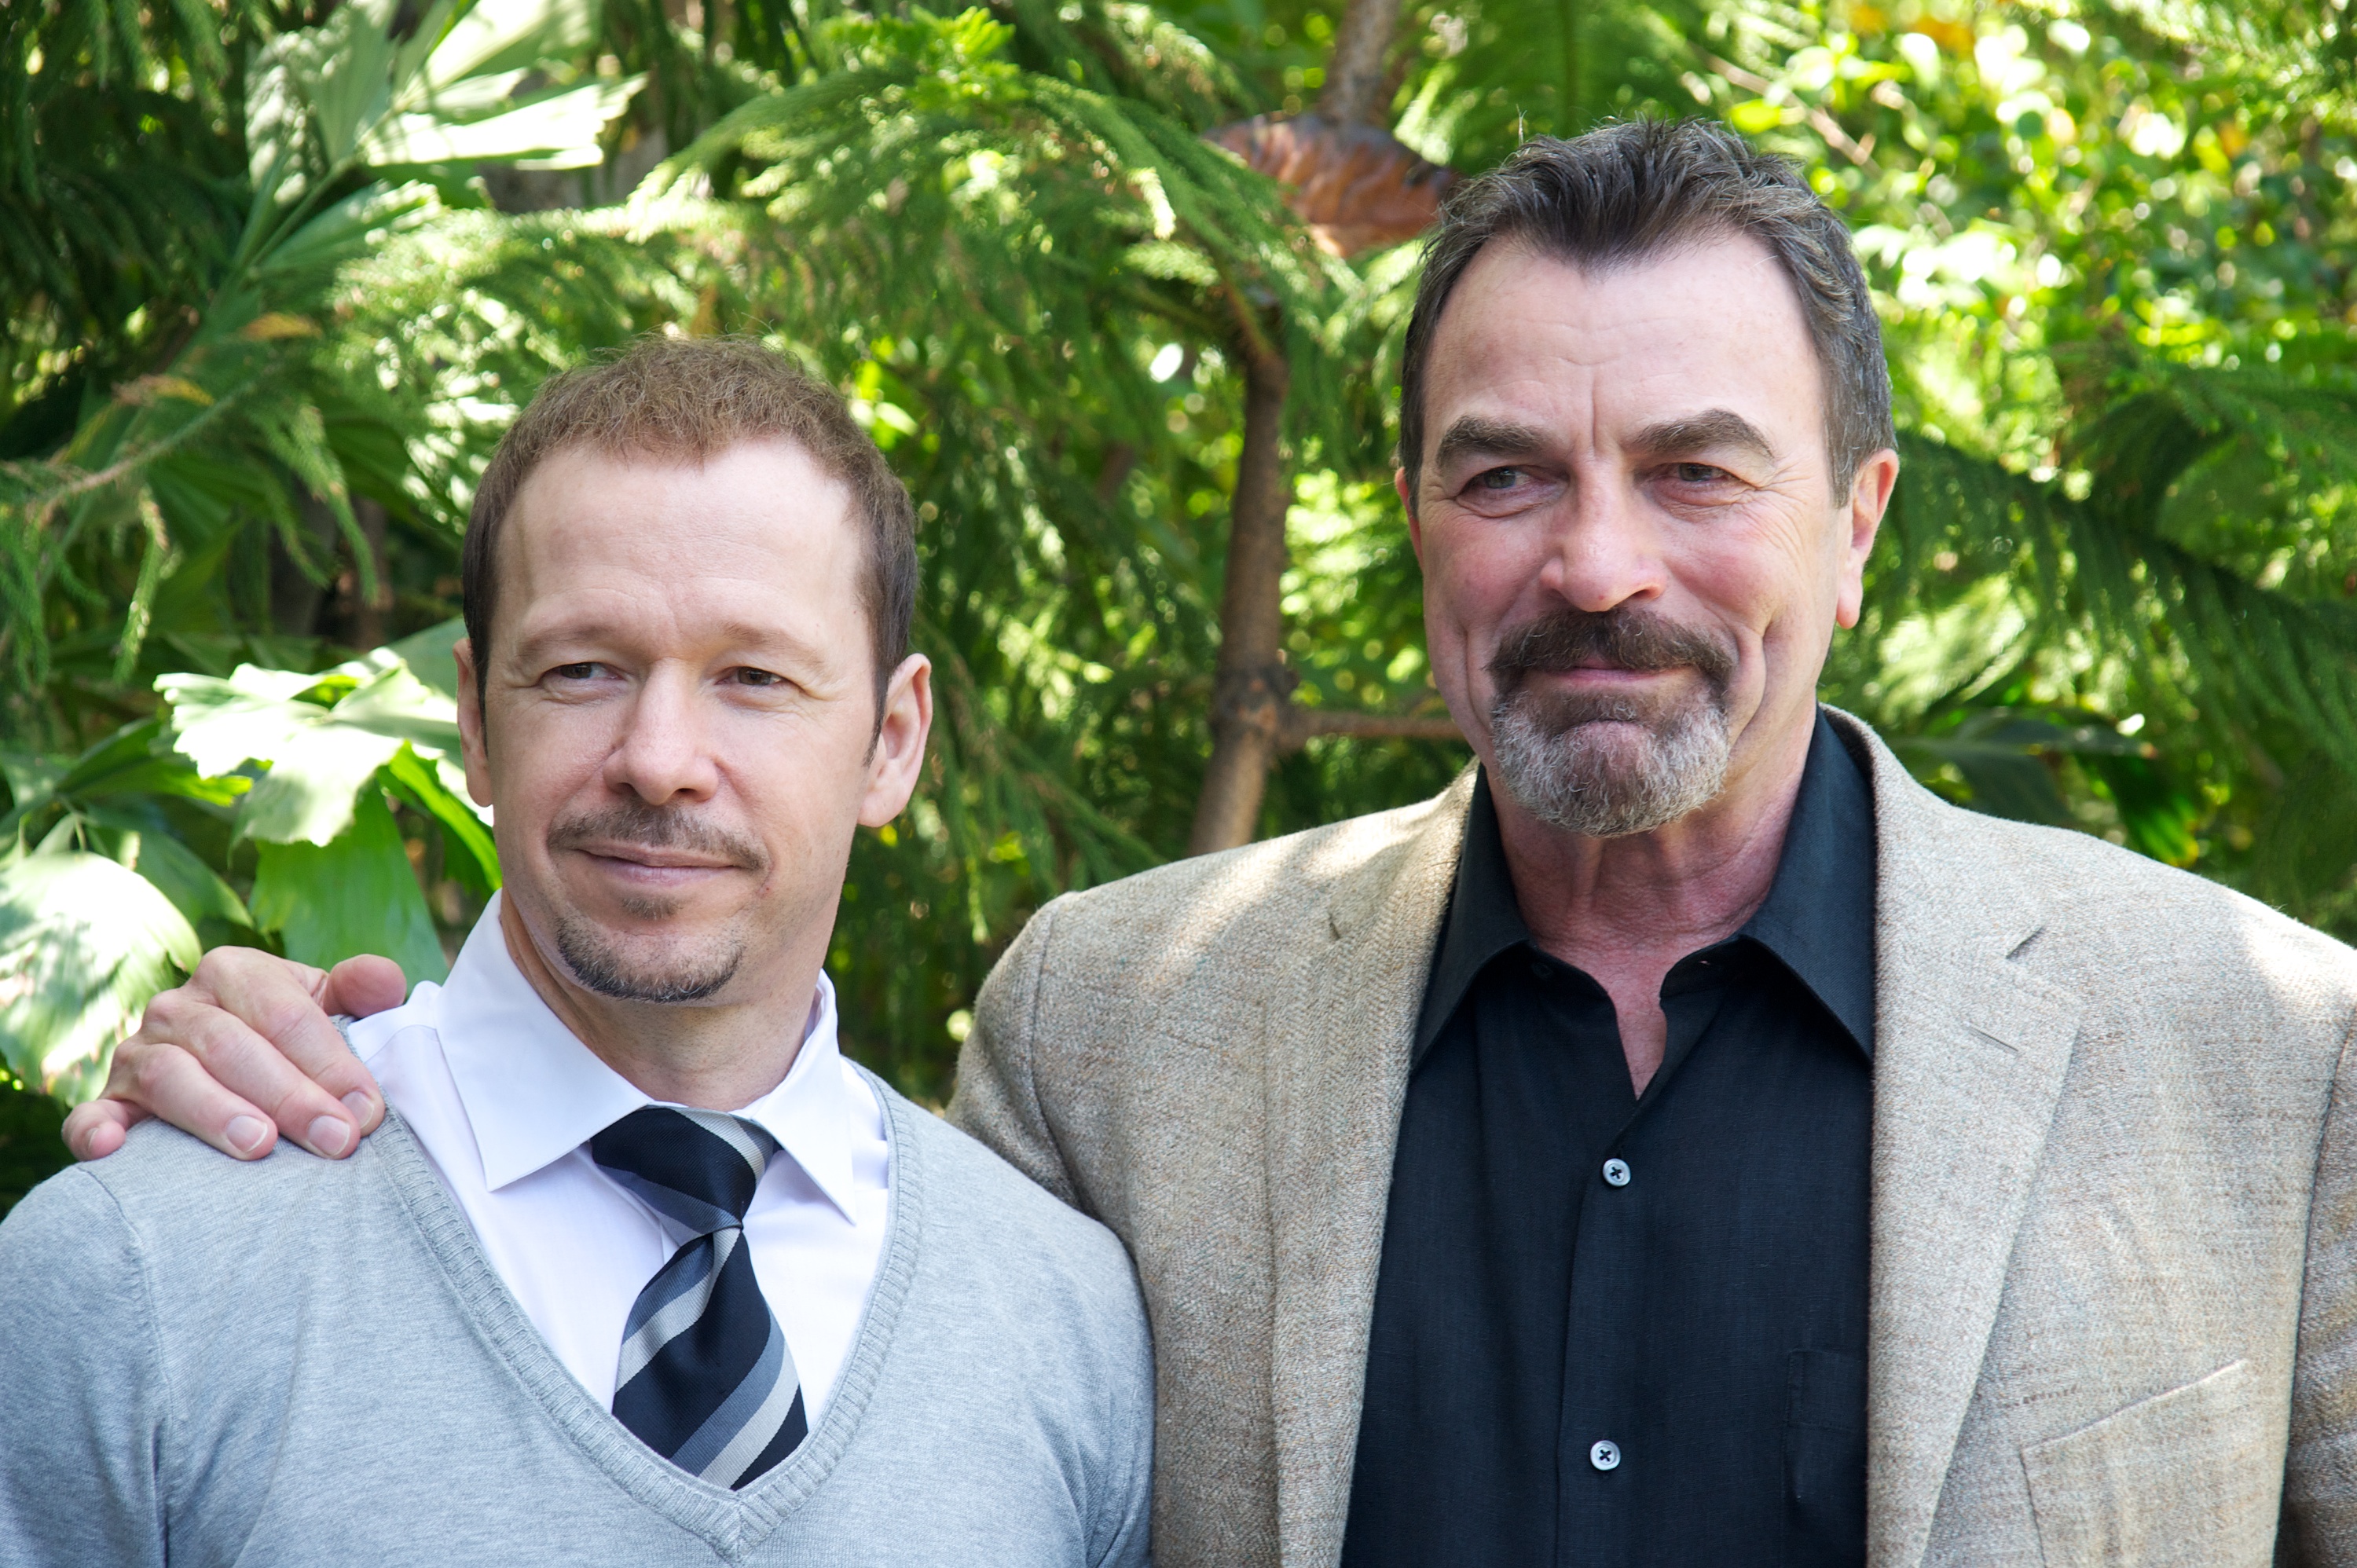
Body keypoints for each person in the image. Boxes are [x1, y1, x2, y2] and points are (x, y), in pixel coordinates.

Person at [68, 122, 2357, 1566]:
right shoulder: (1122, 1029)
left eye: (1696, 469)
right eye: (1503, 474)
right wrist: (267, 1082)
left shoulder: (2259, 1053)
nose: (1594, 563)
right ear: (1417, 524)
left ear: (1855, 522)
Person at [0, 338, 1153, 1567]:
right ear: (476, 723)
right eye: (583, 670)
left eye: (754, 678)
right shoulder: (135, 1276)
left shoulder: (1067, 1319)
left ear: (892, 742)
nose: (660, 757)